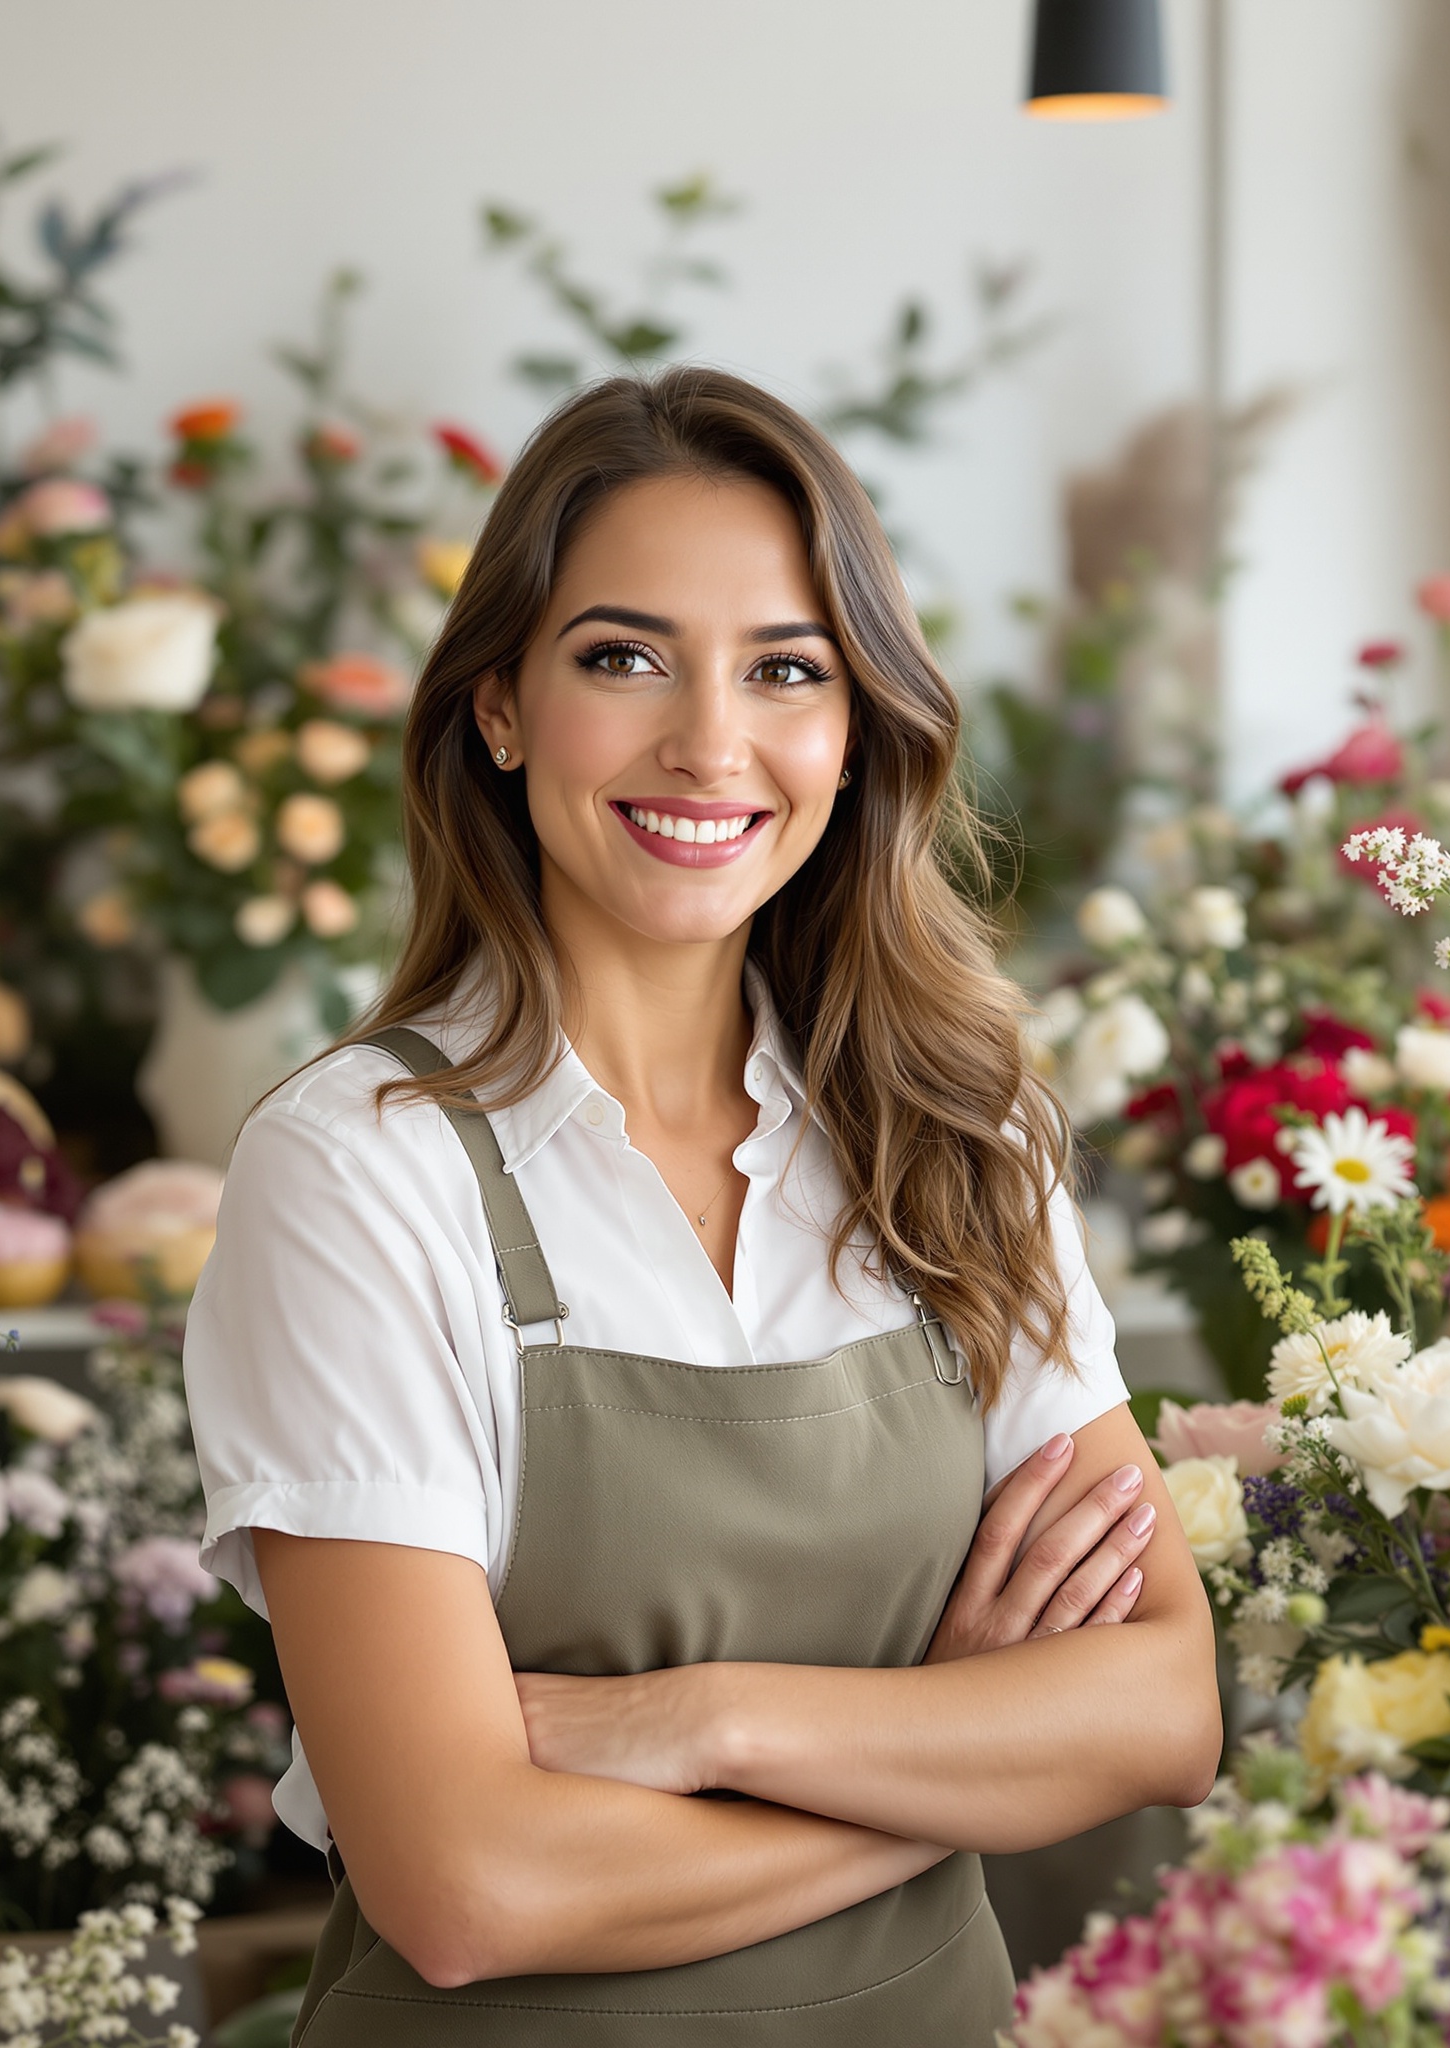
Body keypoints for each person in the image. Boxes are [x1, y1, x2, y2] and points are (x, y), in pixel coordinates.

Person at [185, 366, 1222, 2045]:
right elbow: (466, 1887)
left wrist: (706, 1723)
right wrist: (953, 1747)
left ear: (856, 728)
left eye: (786, 669)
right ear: (500, 707)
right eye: (624, 657)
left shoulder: (960, 1134)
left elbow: (1165, 1709)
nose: (710, 744)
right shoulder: (360, 1169)